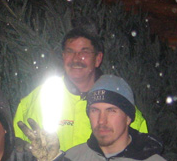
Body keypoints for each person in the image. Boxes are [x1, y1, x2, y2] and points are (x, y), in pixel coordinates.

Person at [14, 23, 148, 151]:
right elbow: (17, 148)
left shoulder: (117, 100)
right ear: (63, 56)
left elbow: (140, 154)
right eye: (70, 52)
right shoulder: (42, 97)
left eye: (85, 52)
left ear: (98, 59)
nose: (76, 59)